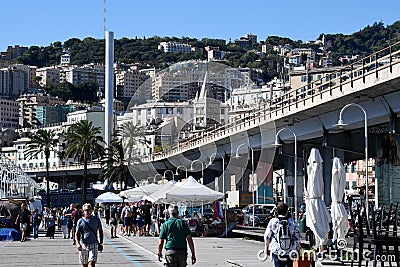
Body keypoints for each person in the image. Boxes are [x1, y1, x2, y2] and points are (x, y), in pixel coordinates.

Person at [264, 202, 300, 267]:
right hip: (290, 250)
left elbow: (267, 236)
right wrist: (298, 249)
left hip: (276, 249)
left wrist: (266, 248)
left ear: (277, 211)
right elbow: (297, 237)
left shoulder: (273, 221)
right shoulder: (292, 222)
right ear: (287, 211)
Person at [75, 203, 104, 267]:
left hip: (94, 244)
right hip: (83, 244)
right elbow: (77, 233)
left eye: (89, 209)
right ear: (83, 211)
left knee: (91, 263)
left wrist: (101, 243)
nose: (88, 211)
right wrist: (77, 243)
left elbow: (101, 231)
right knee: (84, 265)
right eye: (86, 210)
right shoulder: (80, 221)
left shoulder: (96, 219)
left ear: (91, 210)